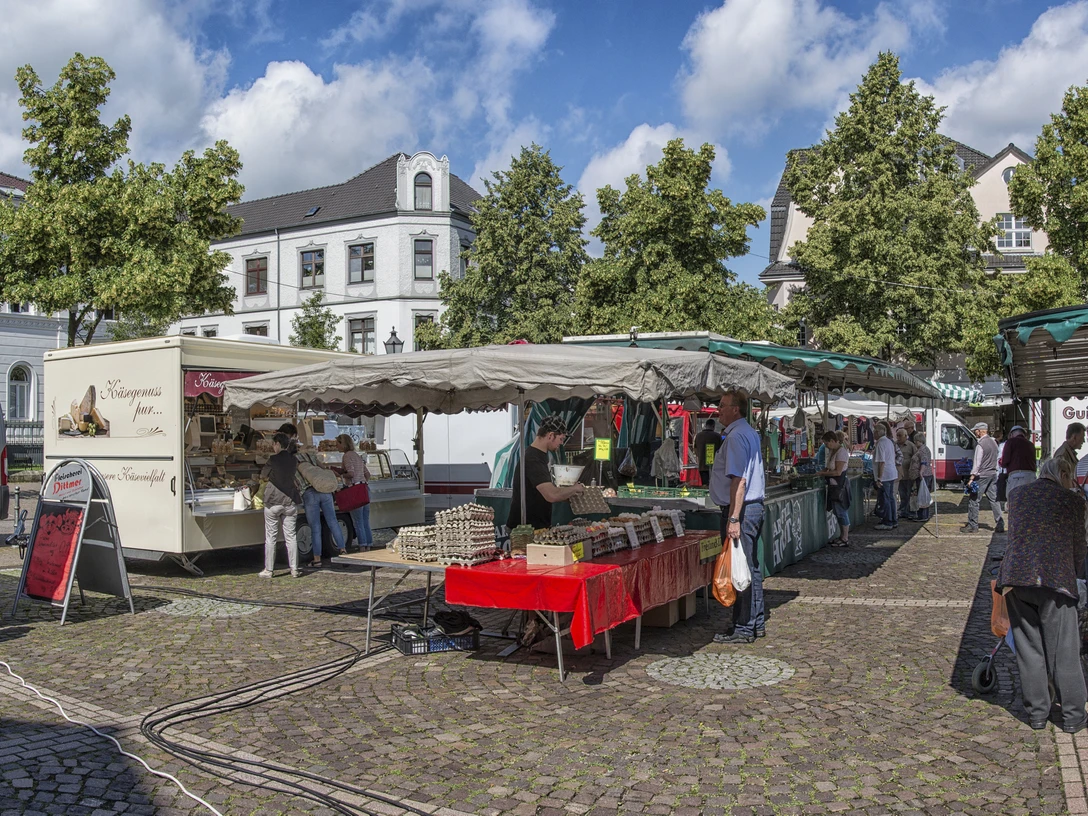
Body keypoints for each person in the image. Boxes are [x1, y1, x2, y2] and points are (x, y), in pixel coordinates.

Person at [997, 456, 1087, 733]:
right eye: (1070, 477)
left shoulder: (1018, 494)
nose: (1072, 483)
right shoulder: (1071, 501)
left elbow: (1016, 536)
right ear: (1061, 473)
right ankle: (1072, 716)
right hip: (1054, 581)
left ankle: (1037, 714)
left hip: (1015, 578)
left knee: (1029, 649)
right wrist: (1074, 574)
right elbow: (1079, 547)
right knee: (1064, 650)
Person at [710, 390, 767, 644]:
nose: (718, 409)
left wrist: (734, 518)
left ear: (736, 409)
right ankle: (755, 622)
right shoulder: (748, 432)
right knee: (750, 568)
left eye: (722, 405)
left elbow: (739, 480)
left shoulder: (735, 436)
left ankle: (744, 626)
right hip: (752, 508)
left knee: (740, 569)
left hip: (743, 510)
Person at [506, 415, 586, 530]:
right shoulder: (533, 459)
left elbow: (542, 491)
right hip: (525, 530)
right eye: (561, 438)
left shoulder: (540, 455)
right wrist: (574, 488)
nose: (561, 443)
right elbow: (551, 495)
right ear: (550, 436)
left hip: (535, 526)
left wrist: (567, 495)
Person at [295, 444, 346, 568]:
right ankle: (343, 552)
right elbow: (323, 469)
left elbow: (295, 481)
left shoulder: (293, 461)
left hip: (309, 493)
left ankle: (317, 559)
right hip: (324, 491)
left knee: (315, 527)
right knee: (333, 522)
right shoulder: (311, 456)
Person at [258, 432, 301, 578]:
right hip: (290, 501)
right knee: (291, 537)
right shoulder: (294, 460)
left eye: (273, 444)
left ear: (277, 444)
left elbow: (263, 475)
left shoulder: (273, 459)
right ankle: (294, 568)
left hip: (273, 501)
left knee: (271, 537)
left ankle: (269, 570)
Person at [333, 434, 373, 551]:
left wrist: (339, 474)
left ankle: (362, 547)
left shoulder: (346, 456)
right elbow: (368, 474)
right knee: (365, 520)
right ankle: (369, 545)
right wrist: (362, 482)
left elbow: (351, 473)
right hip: (364, 489)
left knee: (358, 521)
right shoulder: (357, 455)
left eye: (338, 444)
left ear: (343, 444)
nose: (337, 447)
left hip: (355, 491)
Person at [963, 422, 1003, 533]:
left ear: (980, 431)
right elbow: (996, 458)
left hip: (982, 475)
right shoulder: (994, 442)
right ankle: (1000, 524)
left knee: (974, 500)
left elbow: (977, 462)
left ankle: (973, 525)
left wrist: (971, 478)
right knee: (994, 499)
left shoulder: (980, 445)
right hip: (992, 474)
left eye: (976, 430)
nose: (975, 432)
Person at [817, 430, 850, 546]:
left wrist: (822, 474)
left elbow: (837, 472)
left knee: (841, 511)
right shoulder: (832, 451)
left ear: (832, 441)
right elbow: (828, 468)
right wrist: (819, 472)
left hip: (839, 486)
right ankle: (842, 535)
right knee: (837, 511)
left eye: (826, 443)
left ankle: (845, 537)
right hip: (833, 486)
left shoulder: (841, 452)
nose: (826, 446)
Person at [873, 423, 898, 530]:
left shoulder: (881, 443)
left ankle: (888, 521)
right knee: (890, 498)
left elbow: (881, 462)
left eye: (874, 432)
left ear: (878, 432)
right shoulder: (888, 441)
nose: (873, 434)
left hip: (885, 475)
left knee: (886, 498)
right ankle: (893, 520)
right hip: (891, 473)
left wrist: (879, 478)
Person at [1000, 425, 1037, 497]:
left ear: (1011, 434)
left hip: (1017, 476)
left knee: (1014, 499)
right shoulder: (1031, 444)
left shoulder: (1010, 442)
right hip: (1031, 476)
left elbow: (1005, 461)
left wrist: (1001, 463)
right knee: (1028, 500)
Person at [908, 432, 935, 522]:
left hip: (923, 476)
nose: (915, 443)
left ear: (920, 441)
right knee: (923, 495)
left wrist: (921, 472)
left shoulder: (922, 450)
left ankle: (922, 515)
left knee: (922, 495)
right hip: (926, 475)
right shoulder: (925, 449)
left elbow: (924, 462)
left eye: (916, 441)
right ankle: (923, 515)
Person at [895, 428, 916, 520]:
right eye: (897, 435)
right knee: (902, 494)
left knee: (908, 494)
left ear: (905, 436)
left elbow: (916, 457)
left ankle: (908, 510)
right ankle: (903, 510)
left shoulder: (911, 445)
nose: (898, 437)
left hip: (908, 474)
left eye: (900, 435)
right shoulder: (894, 445)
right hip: (898, 474)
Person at [694, 419, 722, 487]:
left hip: (702, 466)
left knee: (705, 485)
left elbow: (695, 449)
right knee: (715, 486)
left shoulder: (698, 436)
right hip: (715, 466)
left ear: (706, 426)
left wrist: (700, 456)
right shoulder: (717, 436)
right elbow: (722, 450)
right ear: (713, 426)